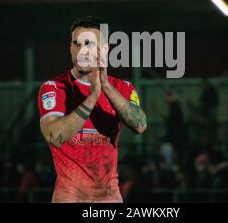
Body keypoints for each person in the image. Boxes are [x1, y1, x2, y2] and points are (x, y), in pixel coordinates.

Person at [37, 16, 147, 203]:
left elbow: (140, 125)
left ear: (104, 50)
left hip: (108, 200)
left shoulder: (123, 88)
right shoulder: (54, 88)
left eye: (89, 44)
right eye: (76, 44)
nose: (81, 51)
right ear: (70, 47)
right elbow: (53, 136)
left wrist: (106, 87)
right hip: (69, 198)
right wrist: (92, 97)